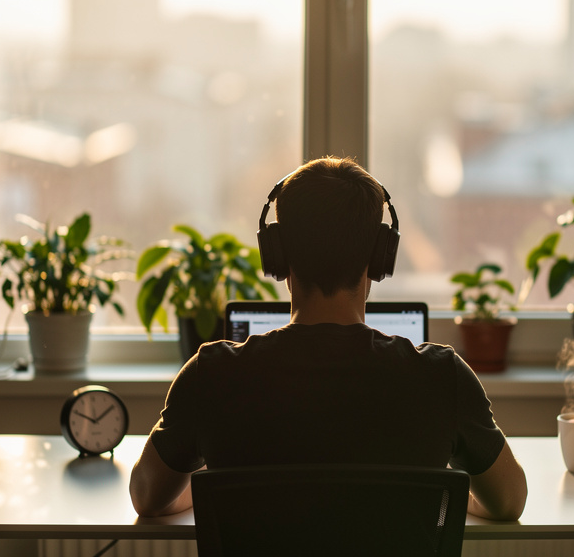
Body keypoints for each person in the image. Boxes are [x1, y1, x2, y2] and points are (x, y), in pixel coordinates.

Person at [130, 157, 527, 521]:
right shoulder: (443, 378)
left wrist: (217, 487)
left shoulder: (210, 375)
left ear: (278, 255)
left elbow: (147, 497)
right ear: (379, 256)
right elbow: (509, 503)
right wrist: (442, 495)